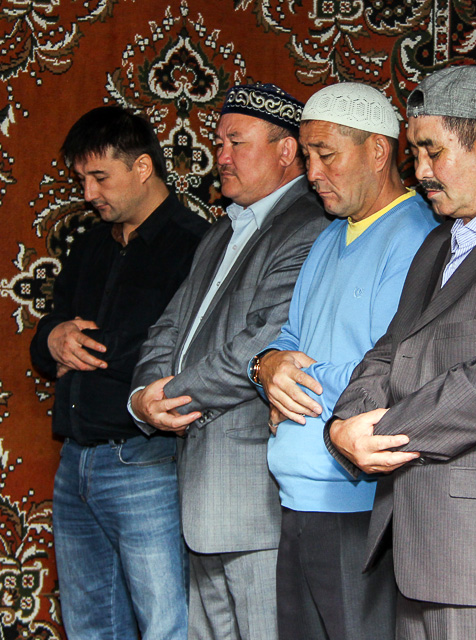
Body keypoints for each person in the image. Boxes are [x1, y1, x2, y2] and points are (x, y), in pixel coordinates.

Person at [325, 65, 476, 639]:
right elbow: (389, 351)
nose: (420, 171)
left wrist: (375, 433)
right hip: (417, 548)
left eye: (432, 151)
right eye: (414, 153)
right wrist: (342, 425)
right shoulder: (440, 239)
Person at [129, 83, 330, 640]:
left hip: (254, 497)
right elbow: (168, 327)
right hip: (202, 493)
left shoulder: (310, 226)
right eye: (219, 142)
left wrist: (170, 397)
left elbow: (259, 344)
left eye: (236, 142)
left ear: (286, 151)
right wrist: (143, 398)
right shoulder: (220, 231)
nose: (220, 156)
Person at [249, 82, 437, 640]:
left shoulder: (416, 238)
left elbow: (386, 374)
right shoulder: (329, 236)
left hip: (355, 505)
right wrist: (267, 368)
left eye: (325, 154)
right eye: (307, 155)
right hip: (298, 498)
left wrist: (291, 379)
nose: (311, 173)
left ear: (378, 151)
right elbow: (287, 338)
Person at [29, 106, 208, 640]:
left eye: (99, 177)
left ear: (143, 167)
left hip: (146, 461)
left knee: (167, 625)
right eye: (81, 180)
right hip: (75, 460)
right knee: (90, 628)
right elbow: (46, 341)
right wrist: (53, 339)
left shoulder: (197, 245)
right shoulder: (89, 244)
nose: (88, 194)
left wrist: (93, 353)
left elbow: (182, 356)